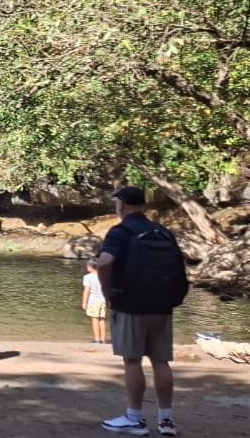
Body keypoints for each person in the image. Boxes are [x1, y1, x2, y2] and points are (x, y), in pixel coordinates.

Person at [96, 186, 186, 437]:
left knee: (132, 360)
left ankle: (134, 418)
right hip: (163, 305)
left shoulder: (121, 231)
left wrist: (107, 292)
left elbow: (104, 263)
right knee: (160, 361)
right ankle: (166, 420)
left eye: (116, 203)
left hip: (131, 304)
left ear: (122, 204)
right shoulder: (162, 232)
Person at [83, 258, 109, 344]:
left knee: (94, 319)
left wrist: (84, 302)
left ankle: (97, 339)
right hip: (103, 300)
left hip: (93, 301)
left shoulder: (87, 277)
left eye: (87, 266)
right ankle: (103, 339)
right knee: (102, 319)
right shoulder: (103, 276)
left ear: (90, 267)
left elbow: (86, 290)